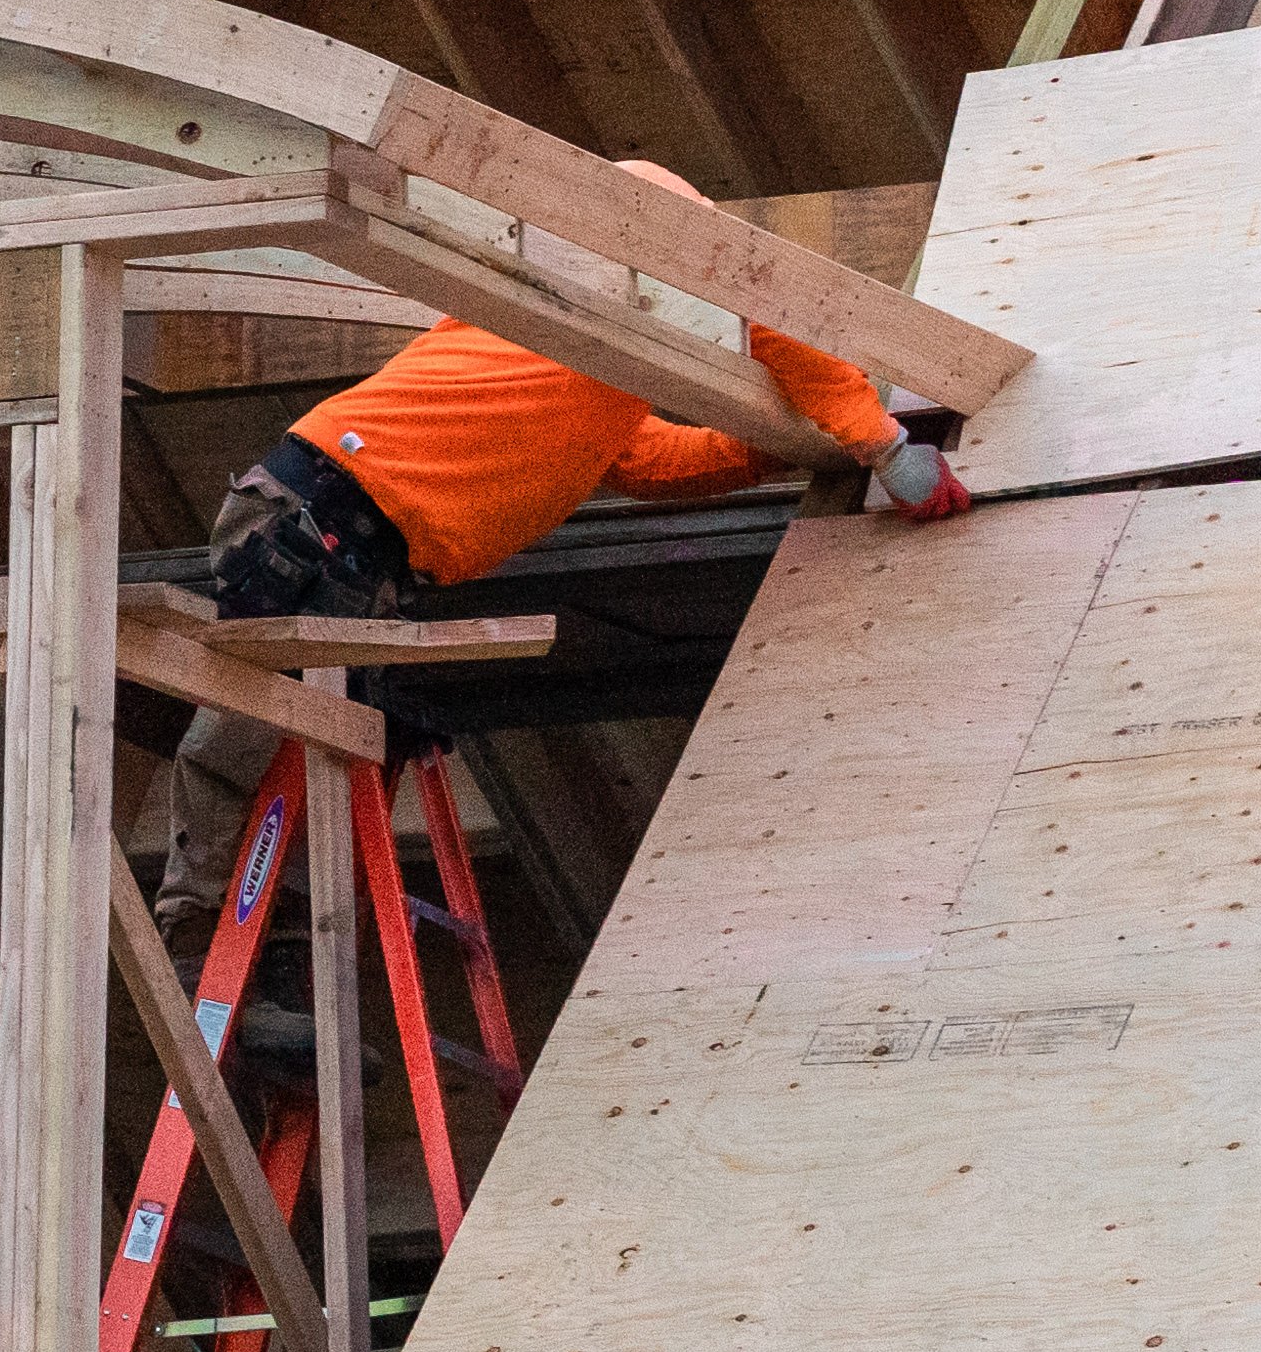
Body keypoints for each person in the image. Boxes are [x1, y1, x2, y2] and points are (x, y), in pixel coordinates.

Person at [155, 158, 974, 916]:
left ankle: (270, 982)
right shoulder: (580, 283)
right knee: (257, 731)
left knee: (323, 763)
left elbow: (648, 461)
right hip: (326, 512)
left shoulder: (594, 370)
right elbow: (767, 315)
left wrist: (789, 445)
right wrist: (884, 446)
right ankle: (202, 938)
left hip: (360, 536)